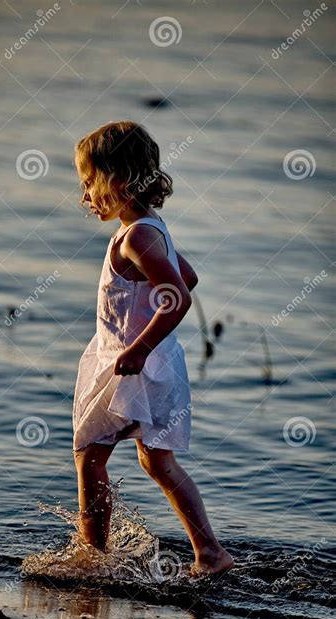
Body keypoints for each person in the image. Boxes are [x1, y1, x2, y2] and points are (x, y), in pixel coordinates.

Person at [72, 121, 233, 575]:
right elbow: (189, 279)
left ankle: (93, 558)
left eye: (89, 183)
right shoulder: (150, 227)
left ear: (117, 181)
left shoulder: (137, 236)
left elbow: (178, 296)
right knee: (158, 461)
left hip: (133, 364)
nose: (85, 196)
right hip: (156, 365)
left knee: (89, 454)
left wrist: (139, 347)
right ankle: (210, 554)